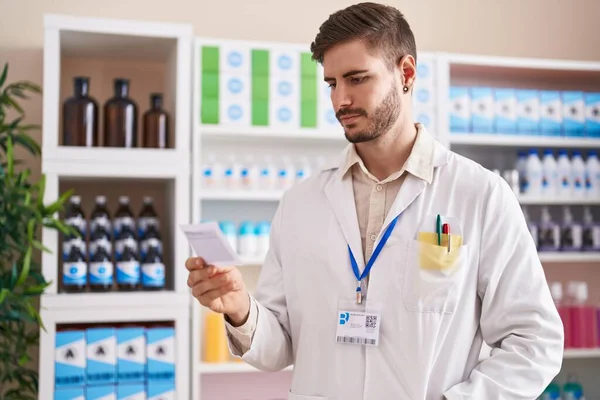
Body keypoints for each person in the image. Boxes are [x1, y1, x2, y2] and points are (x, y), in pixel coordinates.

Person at [186, 2, 564, 399]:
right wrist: (240, 307)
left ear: (406, 73)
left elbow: (534, 342)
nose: (340, 101)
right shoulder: (301, 204)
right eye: (332, 83)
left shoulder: (479, 195)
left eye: (357, 79)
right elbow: (279, 346)